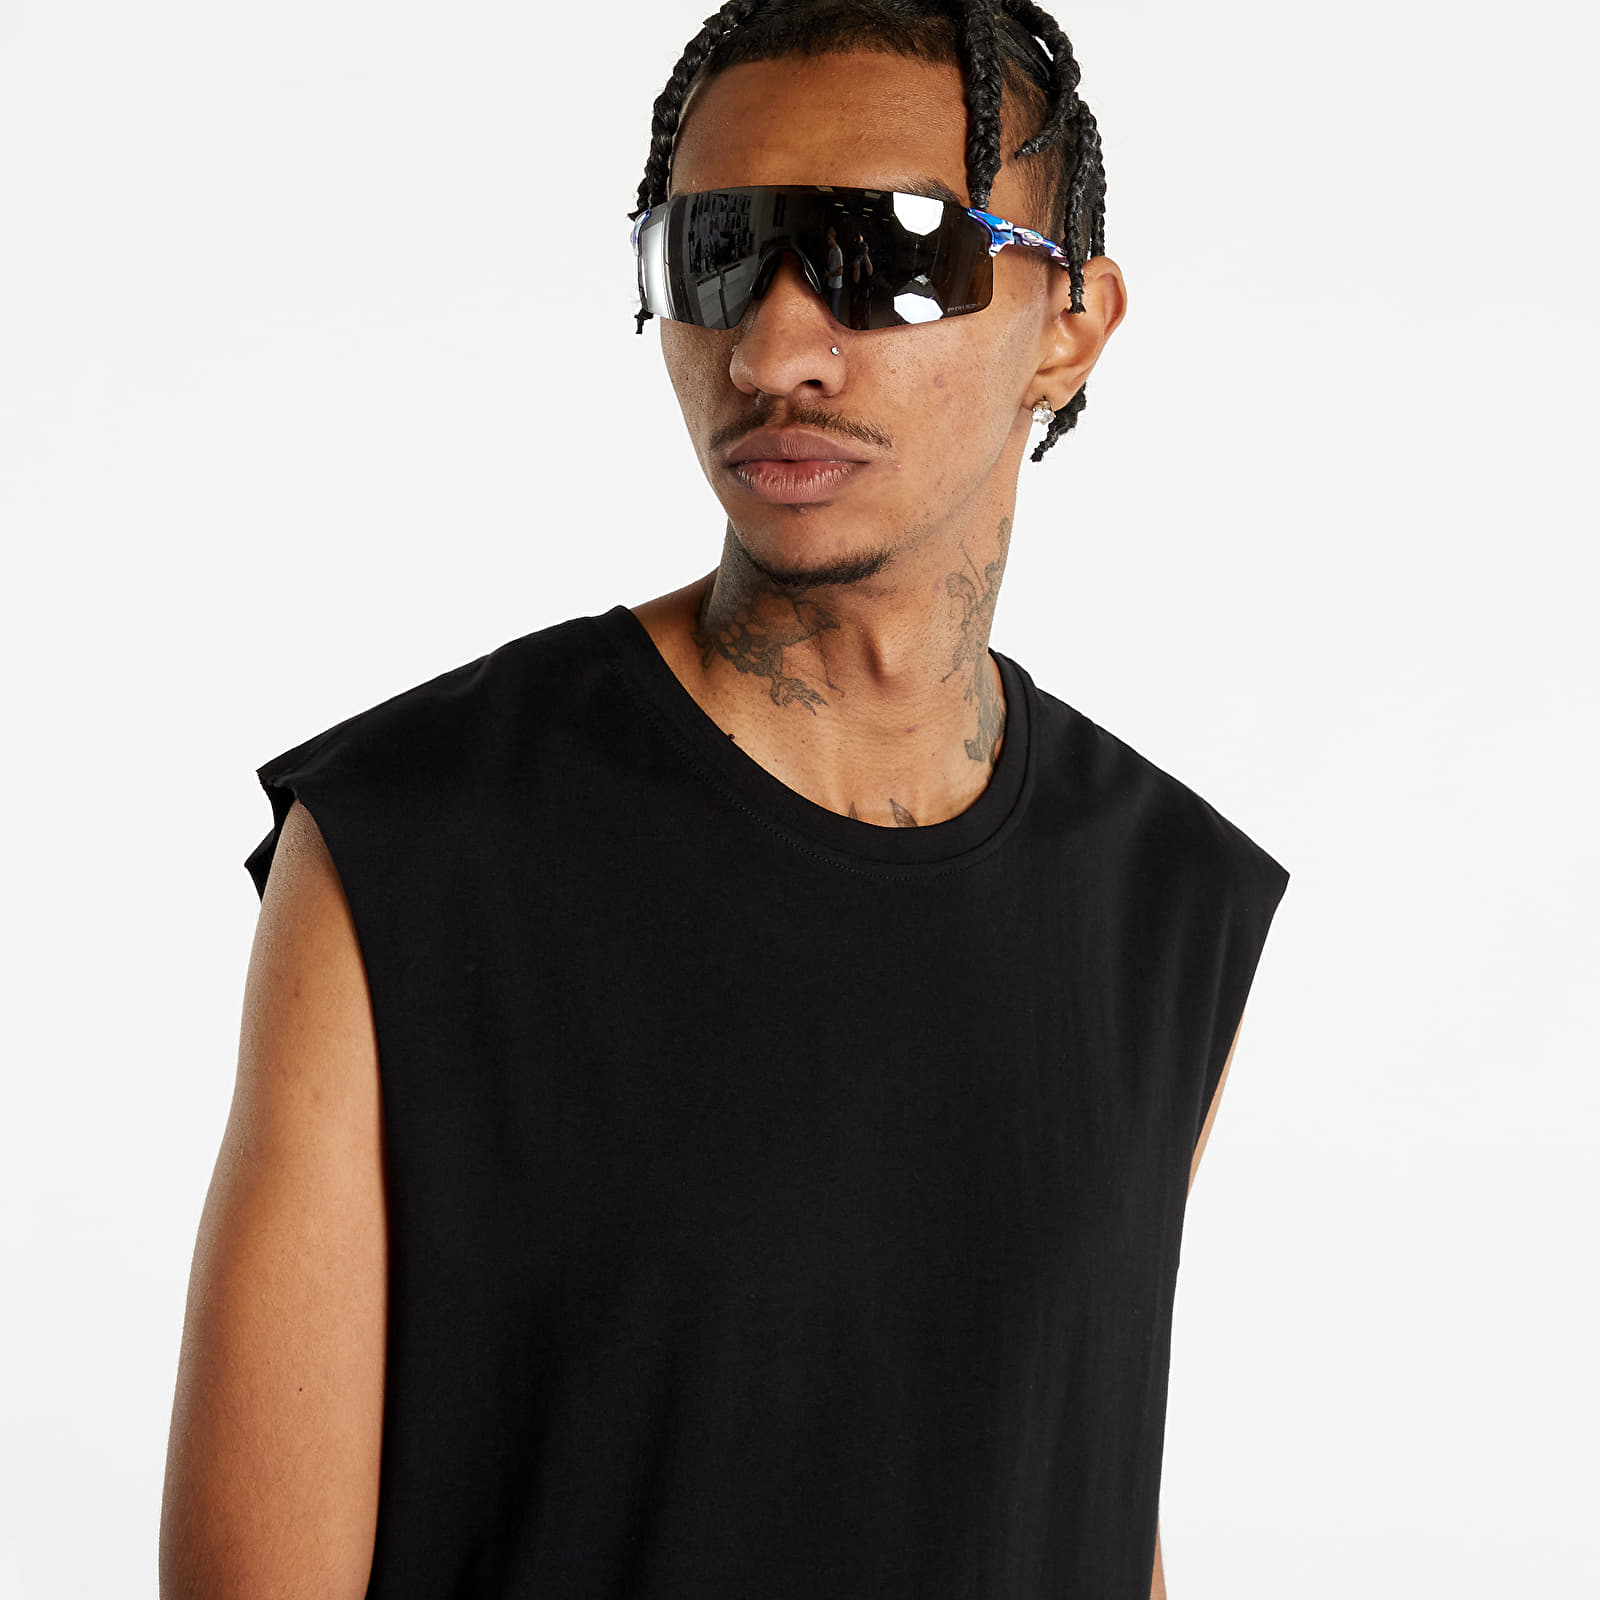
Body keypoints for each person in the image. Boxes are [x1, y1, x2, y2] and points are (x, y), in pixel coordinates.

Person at [159, 3, 1290, 1598]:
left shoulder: (1166, 896)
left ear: (1070, 322)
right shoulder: (415, 845)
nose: (772, 353)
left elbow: (1066, 1477)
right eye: (716, 255)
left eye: (886, 252)